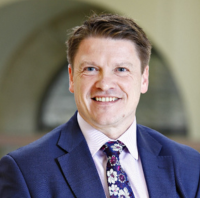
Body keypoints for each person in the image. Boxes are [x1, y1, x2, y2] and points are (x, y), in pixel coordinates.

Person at [0, 13, 199, 198]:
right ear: (71, 78)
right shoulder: (24, 172)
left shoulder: (190, 166)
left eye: (121, 69)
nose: (104, 84)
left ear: (144, 79)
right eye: (91, 69)